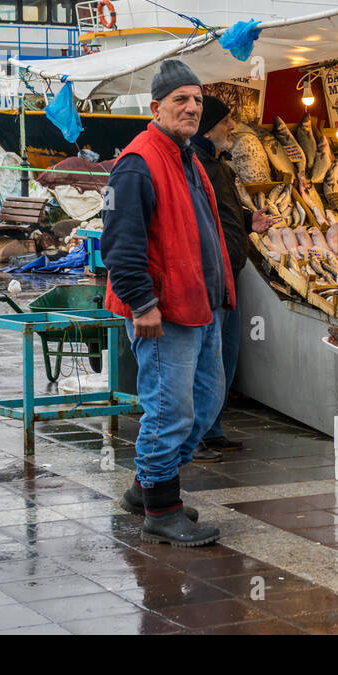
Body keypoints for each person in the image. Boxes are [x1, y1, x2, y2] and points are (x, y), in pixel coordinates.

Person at [101, 58, 235, 547]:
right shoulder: (138, 162)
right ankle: (162, 508)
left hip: (203, 306)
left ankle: (146, 487)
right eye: (181, 99)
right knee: (169, 411)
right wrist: (142, 304)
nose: (192, 108)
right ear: (156, 106)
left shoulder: (187, 157)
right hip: (165, 310)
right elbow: (119, 243)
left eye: (198, 100)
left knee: (205, 403)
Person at [190, 95, 273, 461]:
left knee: (223, 357)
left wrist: (247, 222)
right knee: (206, 359)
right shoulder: (195, 166)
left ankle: (213, 427)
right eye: (226, 121)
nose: (232, 128)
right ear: (209, 126)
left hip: (228, 275)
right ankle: (197, 435)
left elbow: (222, 215)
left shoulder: (218, 166)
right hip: (207, 280)